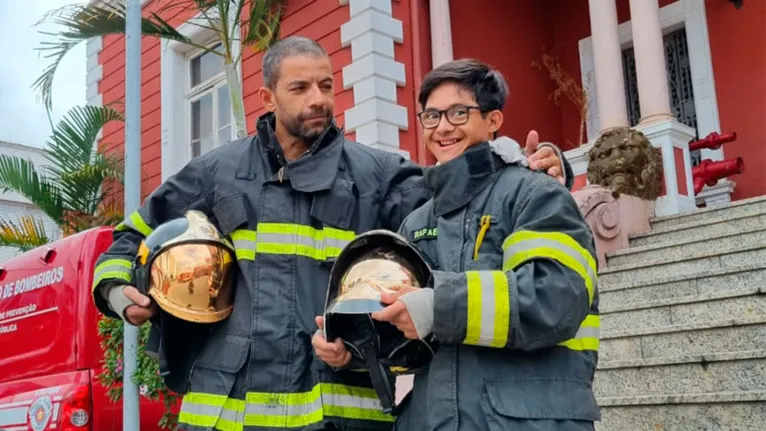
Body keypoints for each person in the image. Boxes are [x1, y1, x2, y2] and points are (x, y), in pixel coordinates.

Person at [91, 37, 571, 431]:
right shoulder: (216, 172)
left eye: (326, 84)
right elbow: (131, 236)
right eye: (300, 87)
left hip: (340, 414)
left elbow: (463, 186)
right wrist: (116, 292)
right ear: (268, 98)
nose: (319, 98)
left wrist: (538, 163)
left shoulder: (378, 174)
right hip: (225, 411)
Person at [315, 59, 601, 430]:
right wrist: (351, 350)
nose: (443, 127)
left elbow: (554, 297)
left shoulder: (534, 194)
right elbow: (405, 348)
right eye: (431, 116)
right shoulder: (416, 223)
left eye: (458, 112)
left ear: (493, 120)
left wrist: (438, 305)